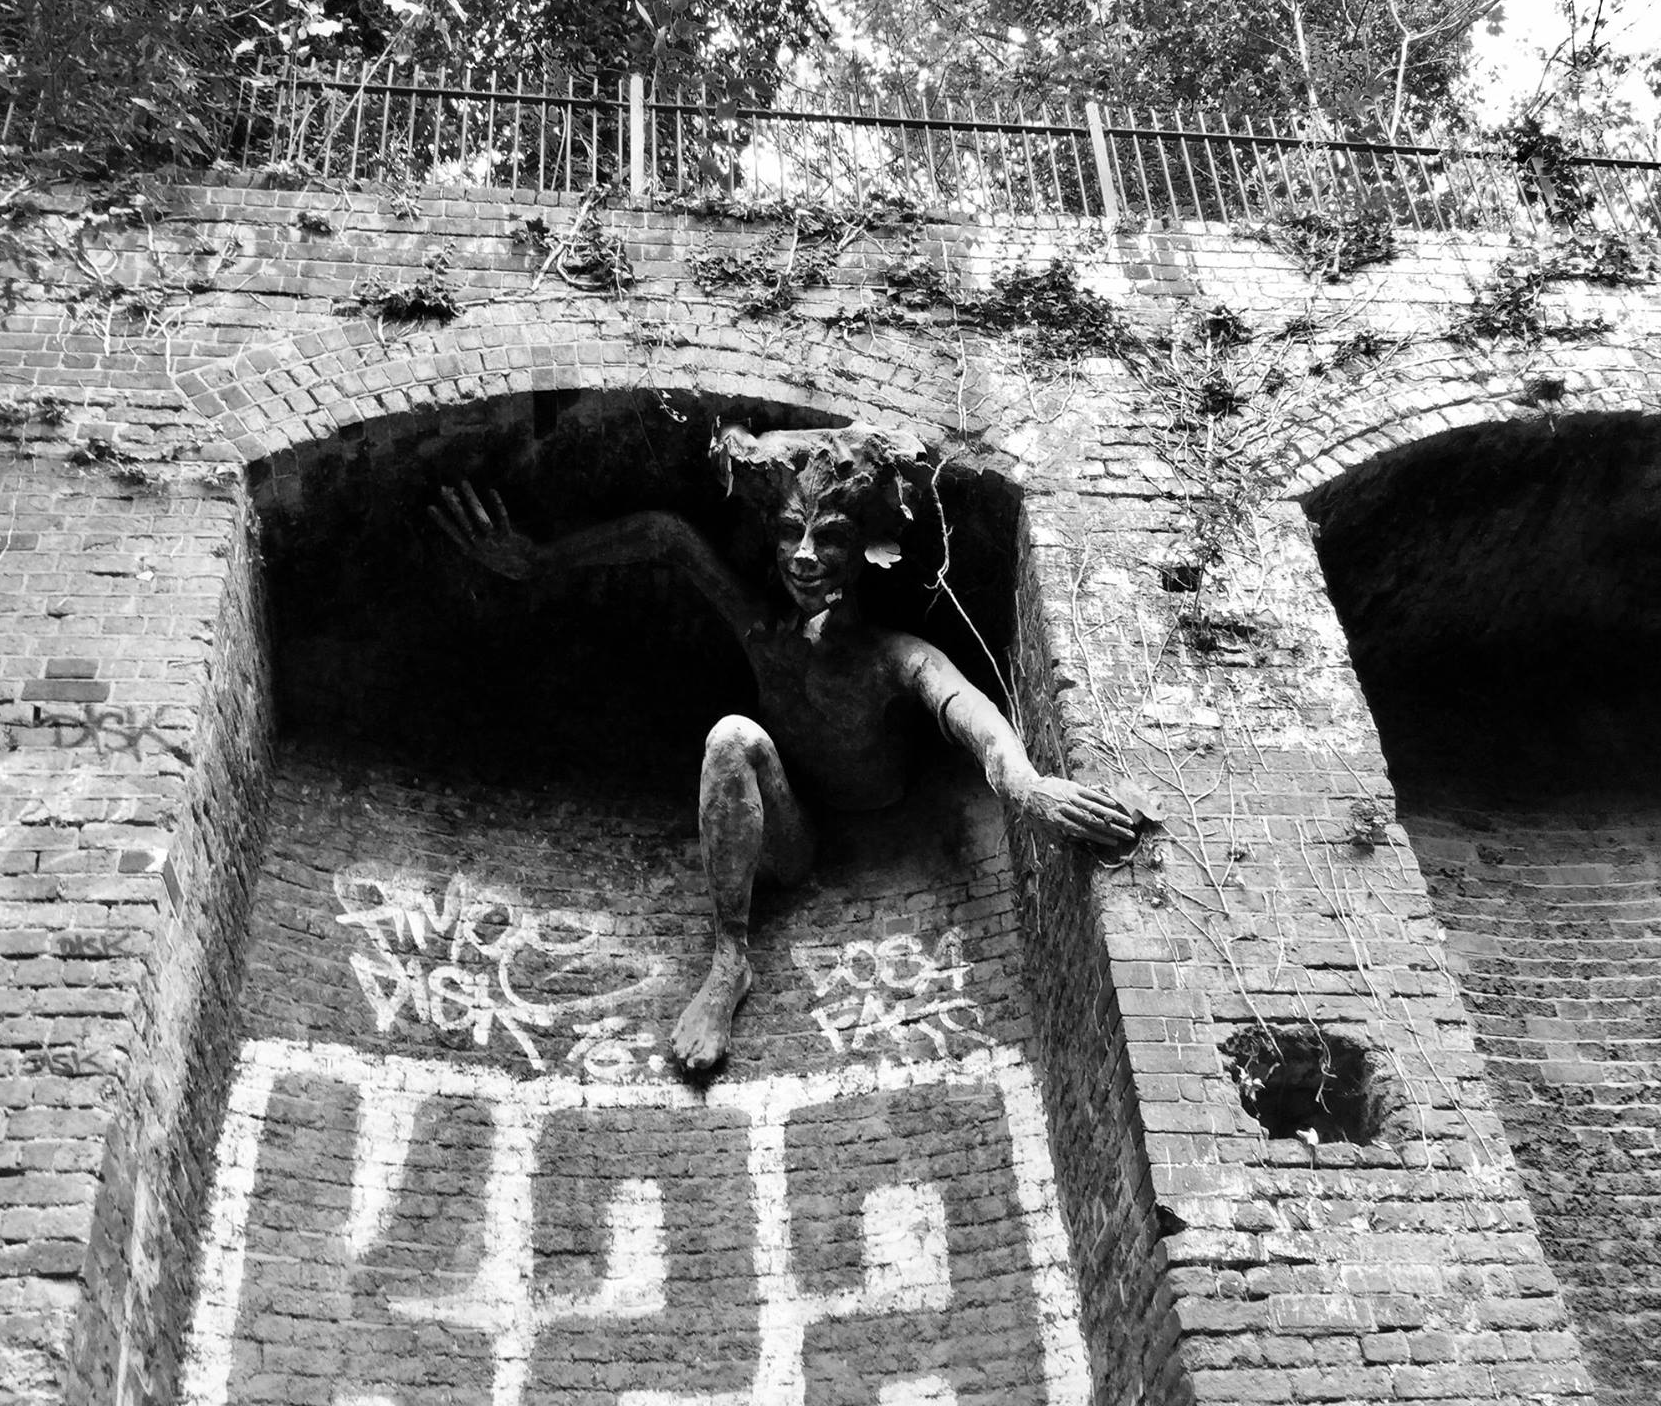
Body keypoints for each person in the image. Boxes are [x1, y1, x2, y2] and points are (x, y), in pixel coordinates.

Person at [432, 421, 1139, 1072]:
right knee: (732, 737)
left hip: (886, 835)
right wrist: (537, 561)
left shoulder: (891, 657)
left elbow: (969, 712)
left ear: (861, 552)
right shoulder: (767, 636)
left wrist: (1024, 786)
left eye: (828, 538)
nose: (804, 556)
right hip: (792, 828)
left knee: (746, 734)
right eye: (790, 534)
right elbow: (667, 537)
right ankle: (730, 959)